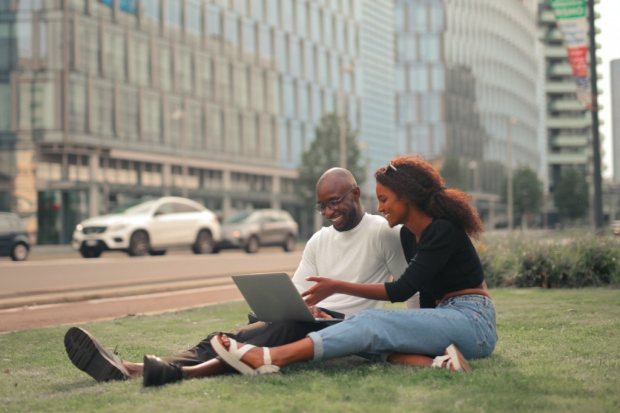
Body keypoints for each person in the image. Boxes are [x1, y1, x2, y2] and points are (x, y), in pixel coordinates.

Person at [64, 168, 410, 385]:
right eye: (323, 206)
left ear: (355, 194)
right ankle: (144, 368)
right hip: (310, 322)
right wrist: (293, 307)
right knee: (253, 332)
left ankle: (140, 369)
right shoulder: (319, 239)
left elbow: (408, 290)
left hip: (347, 328)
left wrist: (422, 336)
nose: (330, 211)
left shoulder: (383, 232)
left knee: (258, 334)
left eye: (335, 202)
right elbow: (296, 293)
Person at [194, 155, 498, 378]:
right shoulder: (408, 235)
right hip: (447, 318)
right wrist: (419, 334)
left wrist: (336, 286)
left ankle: (267, 357)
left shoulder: (441, 230)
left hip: (473, 320)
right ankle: (440, 364)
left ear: (408, 196)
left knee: (370, 324)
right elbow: (426, 300)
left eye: (384, 199)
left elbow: (403, 289)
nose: (379, 208)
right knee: (356, 335)